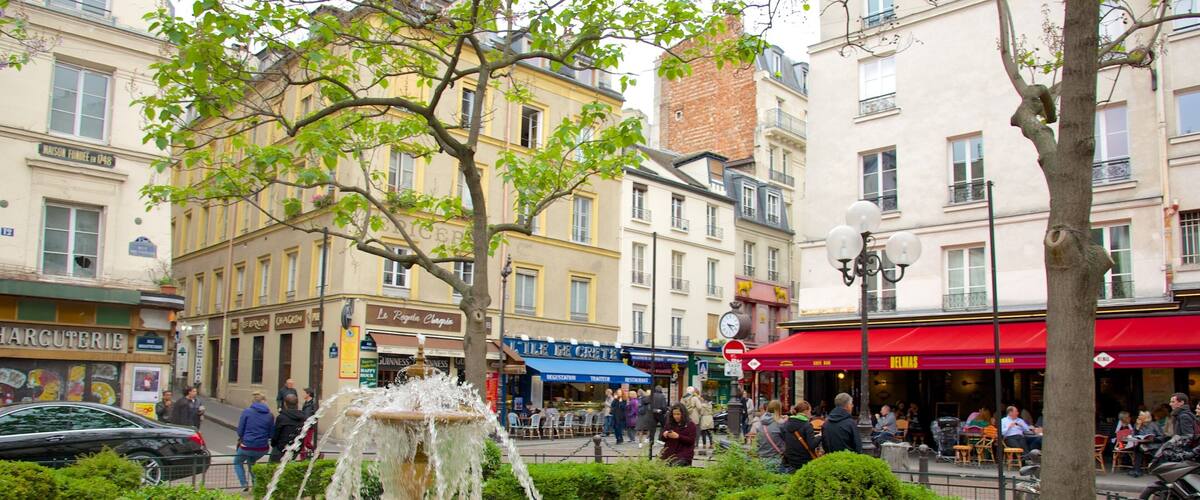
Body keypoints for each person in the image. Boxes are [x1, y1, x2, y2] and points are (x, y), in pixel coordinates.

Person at [235, 392, 275, 492]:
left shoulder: (247, 412)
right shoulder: (270, 415)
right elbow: (271, 433)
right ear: (264, 401)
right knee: (251, 462)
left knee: (237, 462)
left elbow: (240, 430)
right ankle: (256, 485)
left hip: (247, 445)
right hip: (262, 447)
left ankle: (244, 484)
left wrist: (243, 438)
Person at [780, 401, 818, 473]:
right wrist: (820, 436)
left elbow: (784, 437)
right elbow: (812, 445)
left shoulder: (787, 423)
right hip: (804, 461)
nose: (811, 414)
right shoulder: (807, 425)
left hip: (790, 460)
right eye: (810, 411)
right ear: (806, 411)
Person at [1128, 410, 1164, 477]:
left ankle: (1159, 470)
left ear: (1146, 417)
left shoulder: (1154, 424)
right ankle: (1137, 470)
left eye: (1141, 415)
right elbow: (1134, 436)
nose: (1138, 417)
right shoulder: (1137, 424)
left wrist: (1153, 439)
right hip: (1143, 444)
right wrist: (1137, 428)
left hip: (1154, 444)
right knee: (1137, 449)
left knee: (1155, 452)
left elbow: (1161, 437)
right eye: (1139, 415)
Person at [271, 394, 305, 463]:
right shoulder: (303, 417)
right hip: (295, 447)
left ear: (285, 404)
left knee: (273, 465)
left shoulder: (281, 417)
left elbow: (276, 434)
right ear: (297, 404)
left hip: (281, 447)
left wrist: (273, 444)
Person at [754, 400, 787, 471]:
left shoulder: (761, 423)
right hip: (777, 458)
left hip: (762, 458)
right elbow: (786, 440)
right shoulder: (780, 423)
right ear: (779, 410)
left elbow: (758, 442)